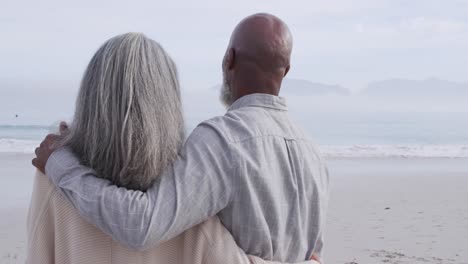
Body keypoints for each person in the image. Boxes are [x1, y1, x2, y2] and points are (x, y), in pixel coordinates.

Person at [33, 13, 329, 262]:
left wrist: (61, 166)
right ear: (286, 70)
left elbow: (142, 225)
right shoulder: (313, 152)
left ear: (229, 59)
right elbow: (313, 252)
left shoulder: (222, 142)